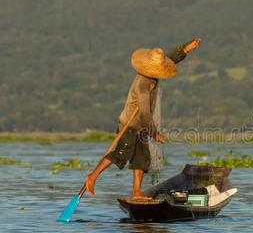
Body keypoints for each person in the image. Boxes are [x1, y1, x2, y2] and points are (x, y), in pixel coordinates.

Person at [85, 39, 201, 199]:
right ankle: (92, 176)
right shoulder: (143, 84)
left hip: (142, 126)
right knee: (121, 153)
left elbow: (171, 58)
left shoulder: (154, 73)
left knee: (141, 159)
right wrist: (155, 133)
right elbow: (145, 113)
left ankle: (136, 193)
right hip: (130, 125)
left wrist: (188, 47)